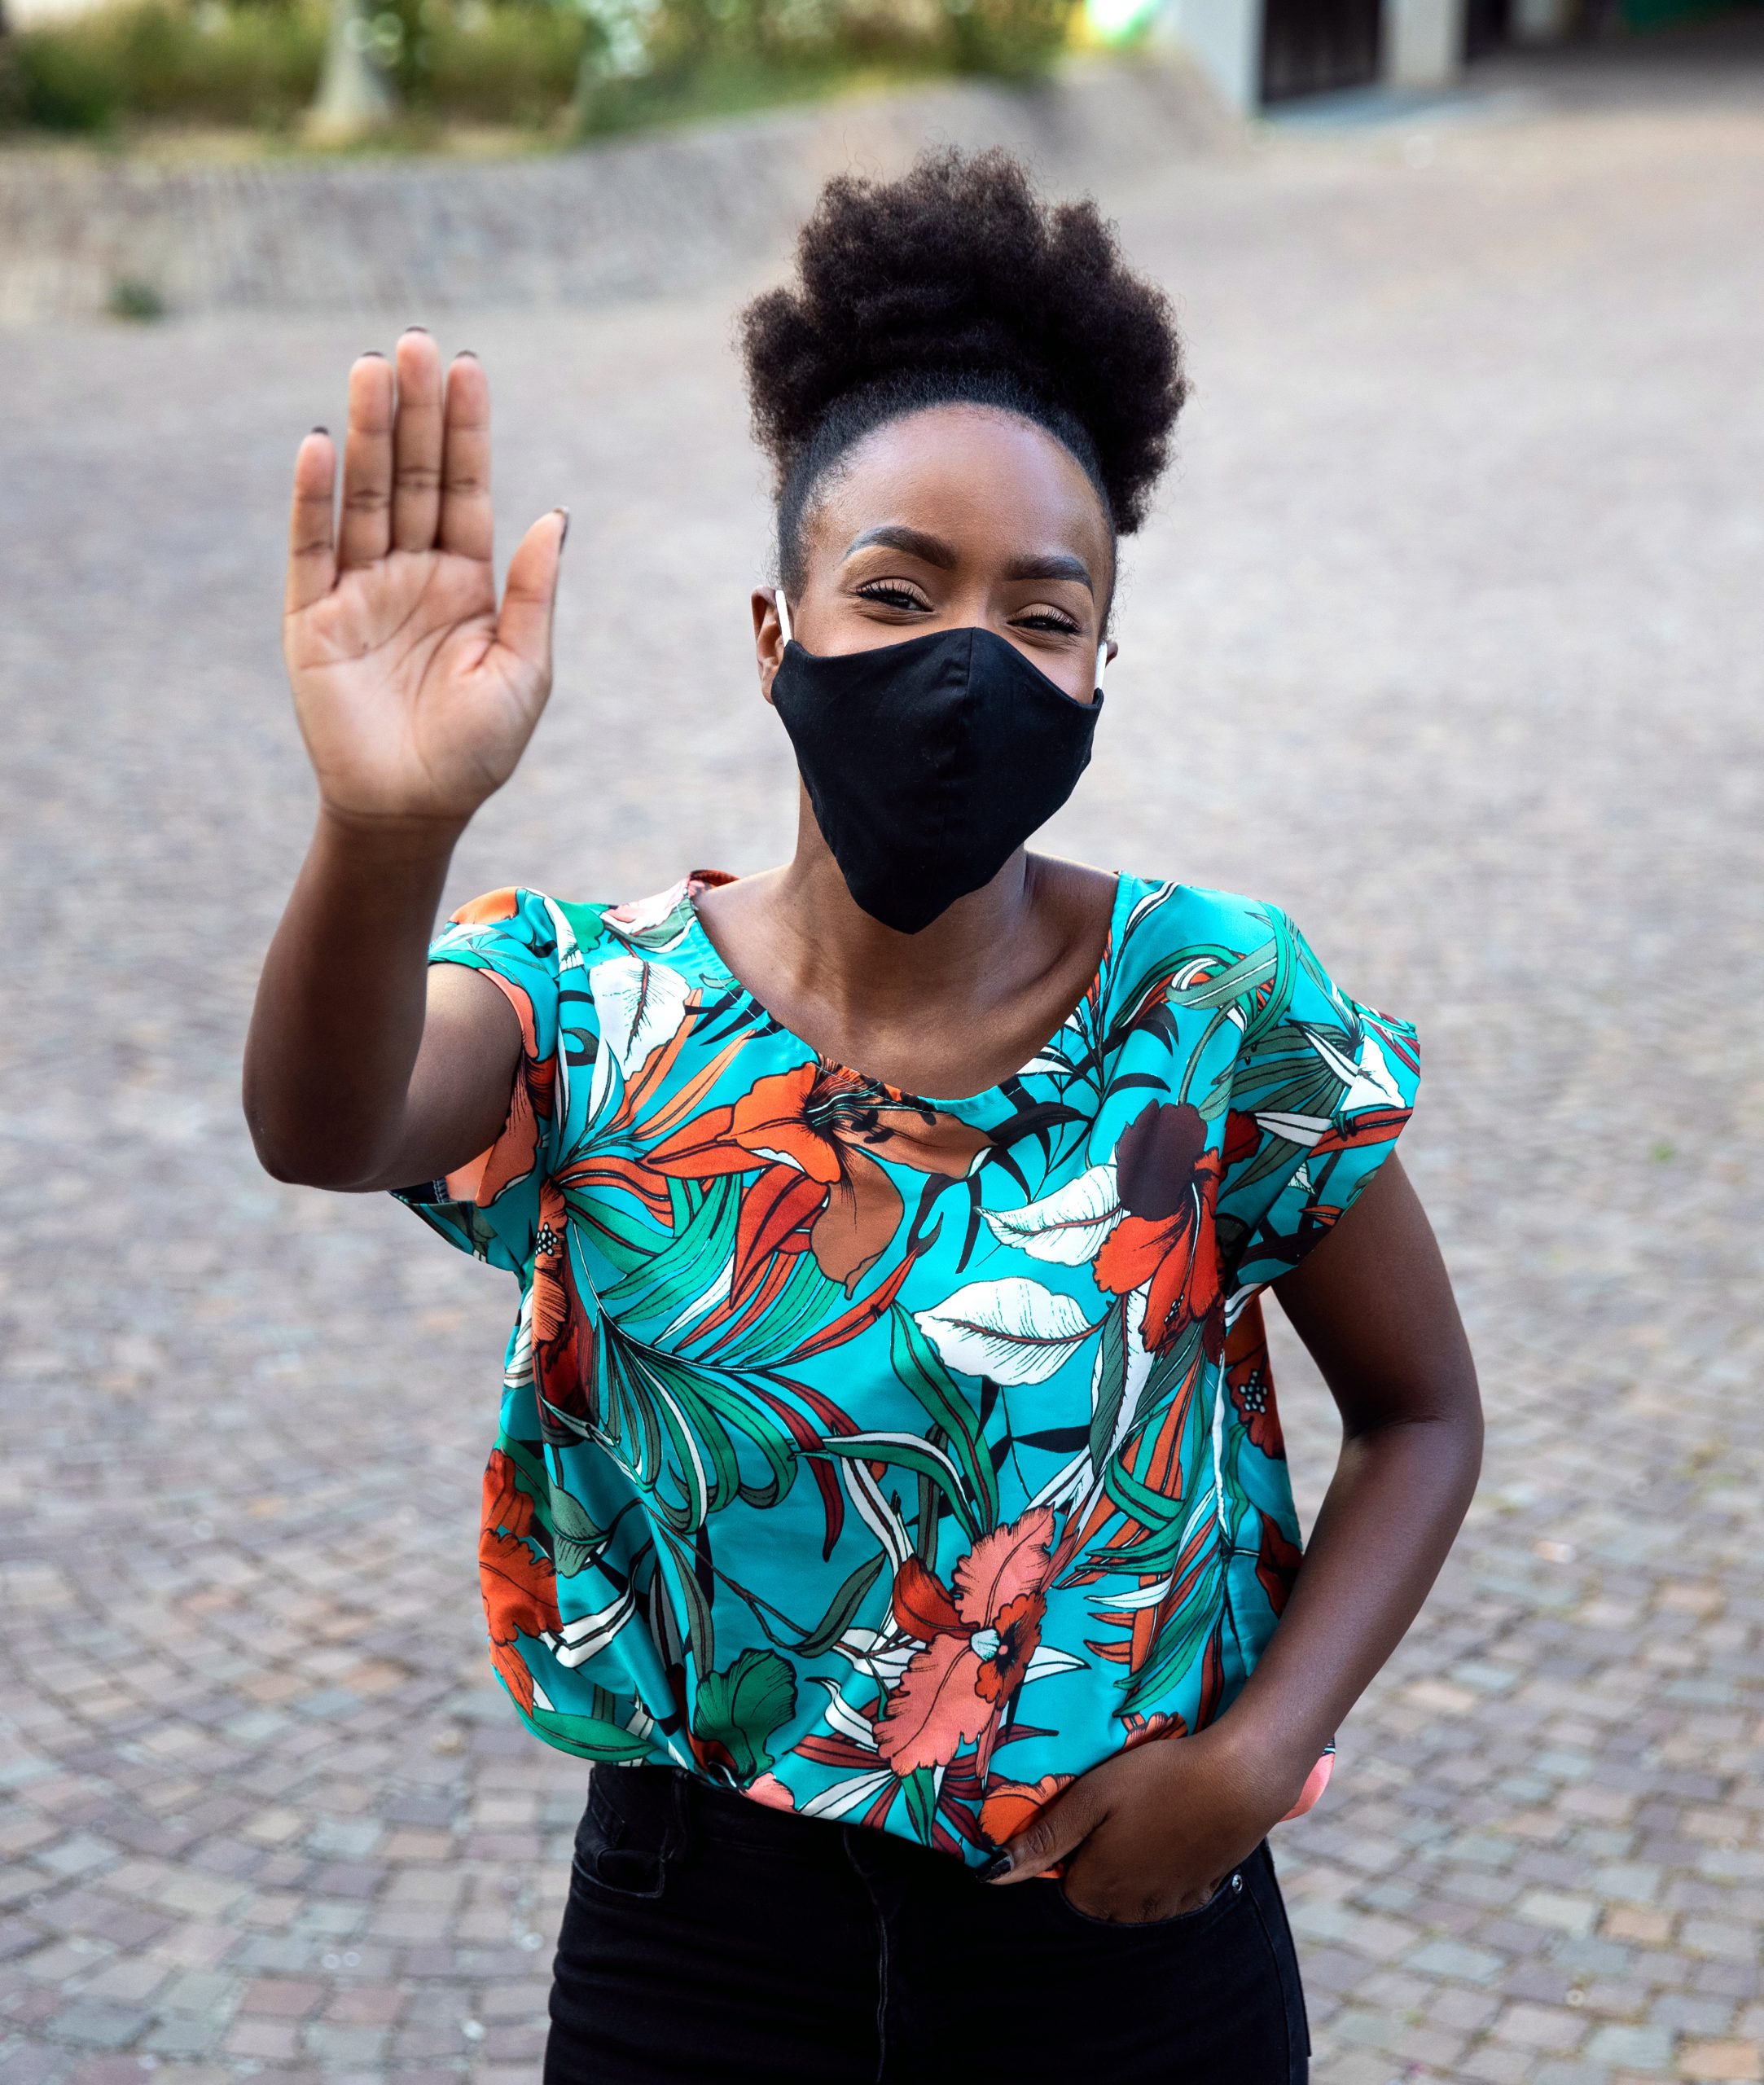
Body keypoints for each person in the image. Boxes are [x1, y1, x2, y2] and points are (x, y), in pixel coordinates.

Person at [244, 150, 1481, 2085]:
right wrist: (388, 825)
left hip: (1126, 1941)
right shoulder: (590, 995)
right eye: (895, 590)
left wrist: (1249, 1766)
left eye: (1040, 614)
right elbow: (326, 1122)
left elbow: (1424, 1412)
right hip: (694, 1942)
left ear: (1098, 674)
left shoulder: (1217, 1002)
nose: (965, 660)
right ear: (776, 630)